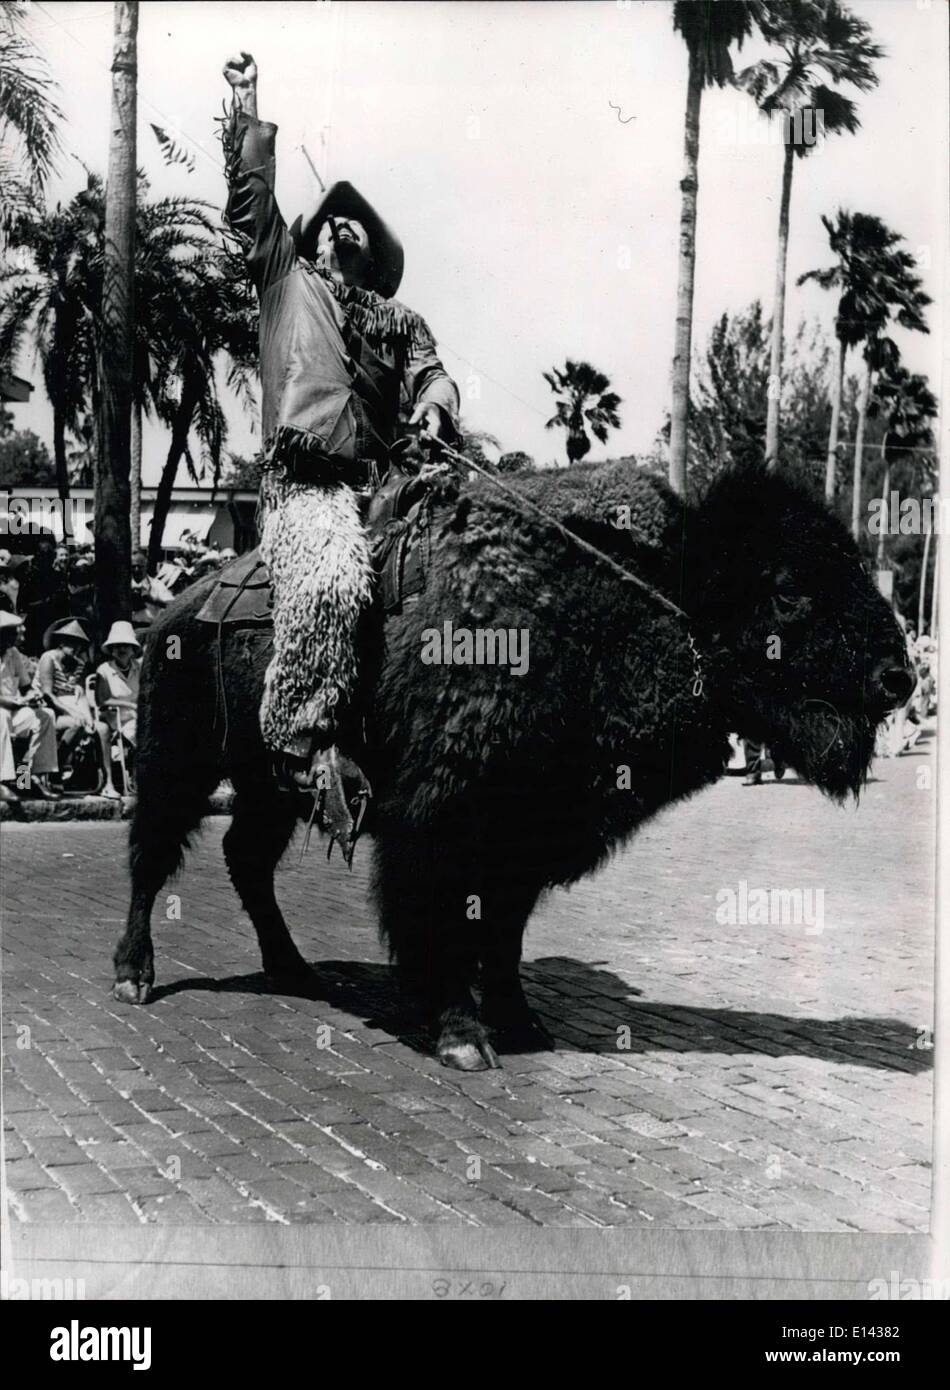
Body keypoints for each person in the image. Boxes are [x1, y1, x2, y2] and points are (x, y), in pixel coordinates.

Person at [221, 51, 460, 842]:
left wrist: (432, 409)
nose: (344, 224)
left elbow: (435, 378)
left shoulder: (402, 322)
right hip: (308, 489)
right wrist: (247, 108)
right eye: (333, 219)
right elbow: (254, 204)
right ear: (315, 238)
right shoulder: (287, 282)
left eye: (358, 222)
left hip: (393, 484)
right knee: (330, 582)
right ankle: (300, 738)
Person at [0, 610, 60, 800]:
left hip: (12, 711)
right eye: (11, 633)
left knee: (45, 715)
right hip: (4, 712)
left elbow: (25, 687)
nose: (15, 637)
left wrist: (33, 696)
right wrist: (16, 702)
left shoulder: (13, 653)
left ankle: (34, 777)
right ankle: (2, 783)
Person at [34, 618, 106, 774]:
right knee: (26, 752)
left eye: (79, 644)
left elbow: (80, 695)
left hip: (66, 710)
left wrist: (88, 717)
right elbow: (47, 694)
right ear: (61, 642)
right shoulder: (49, 658)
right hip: (44, 710)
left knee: (86, 725)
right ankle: (32, 779)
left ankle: (59, 767)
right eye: (71, 642)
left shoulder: (79, 664)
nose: (76, 647)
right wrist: (72, 712)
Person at [94, 620, 142, 800]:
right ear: (112, 649)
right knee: (105, 730)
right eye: (117, 646)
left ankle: (142, 781)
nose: (122, 649)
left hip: (135, 717)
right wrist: (129, 705)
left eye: (126, 646)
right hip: (113, 717)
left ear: (132, 649)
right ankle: (109, 783)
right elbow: (102, 700)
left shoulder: (140, 667)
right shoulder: (104, 670)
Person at [131, 550, 174, 625]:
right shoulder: (123, 586)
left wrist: (152, 600)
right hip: (129, 629)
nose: (136, 570)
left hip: (149, 629)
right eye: (133, 566)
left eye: (140, 566)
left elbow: (173, 605)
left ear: (146, 566)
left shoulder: (156, 584)